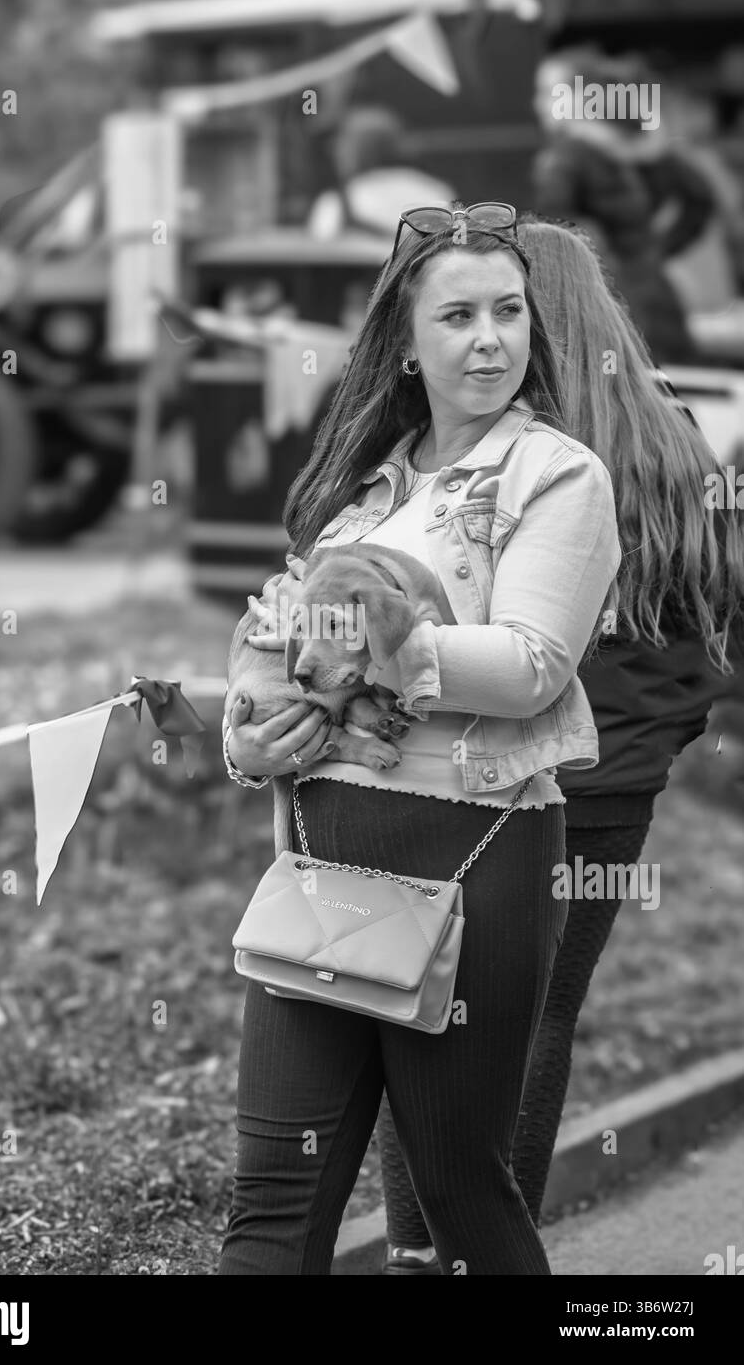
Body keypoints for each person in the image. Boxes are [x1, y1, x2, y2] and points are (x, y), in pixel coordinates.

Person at [218, 202, 621, 1275]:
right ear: (406, 343)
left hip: (473, 860)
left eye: (506, 311)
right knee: (271, 1195)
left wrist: (386, 650)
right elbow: (274, 639)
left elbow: (535, 663)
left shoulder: (559, 476)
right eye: (457, 316)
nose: (488, 338)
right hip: (317, 865)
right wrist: (249, 735)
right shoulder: (359, 487)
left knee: (456, 1192)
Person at [372, 217, 744, 1274]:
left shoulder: (498, 454)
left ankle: (419, 1253)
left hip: (484, 764)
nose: (487, 330)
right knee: (535, 1019)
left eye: (503, 305)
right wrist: (657, 742)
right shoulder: (667, 431)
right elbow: (711, 616)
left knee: (421, 1005)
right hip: (610, 786)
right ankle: (477, 1253)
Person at [531, 50, 713, 364]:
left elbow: (549, 228)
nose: (538, 104)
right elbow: (701, 199)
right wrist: (657, 250)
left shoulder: (567, 157)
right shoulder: (644, 147)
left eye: (549, 93)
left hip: (608, 305)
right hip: (655, 297)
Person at [308, 105, 456, 241]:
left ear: (359, 150)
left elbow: (320, 255)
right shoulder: (436, 190)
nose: (335, 151)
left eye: (342, 143)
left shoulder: (339, 201)